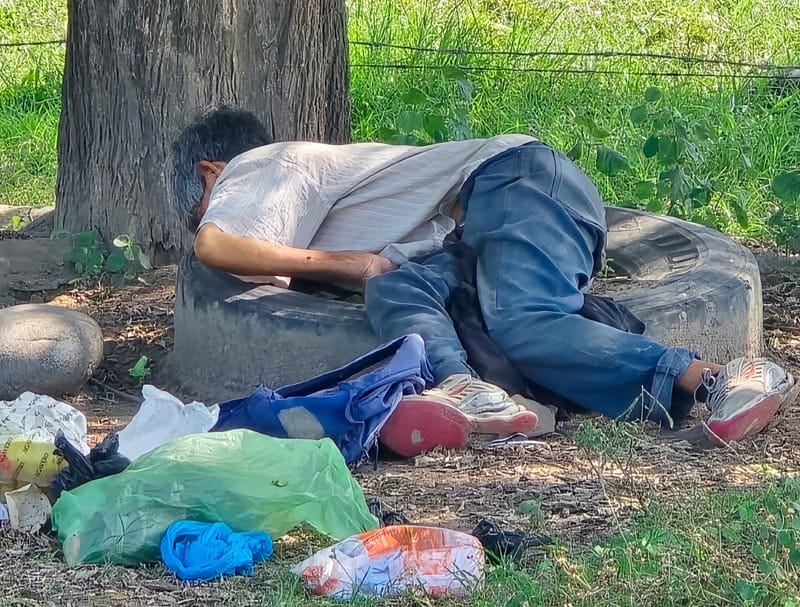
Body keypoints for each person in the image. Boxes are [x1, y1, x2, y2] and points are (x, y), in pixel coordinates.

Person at [170, 105, 795, 457]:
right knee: (395, 287)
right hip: (477, 231)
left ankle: (718, 379)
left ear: (211, 173)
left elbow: (216, 245)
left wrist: (345, 264)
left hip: (513, 181)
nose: (220, 212)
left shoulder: (262, 165)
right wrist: (364, 269)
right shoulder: (320, 196)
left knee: (521, 320)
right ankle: (469, 390)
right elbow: (318, 270)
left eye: (207, 200)